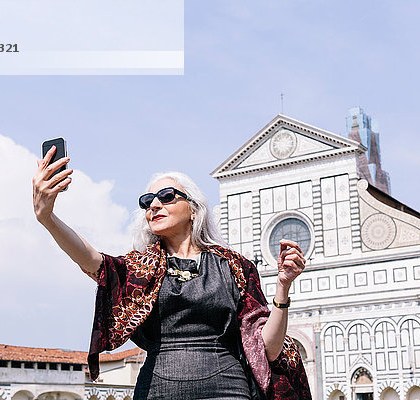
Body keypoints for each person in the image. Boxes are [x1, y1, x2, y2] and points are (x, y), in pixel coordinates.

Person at [32, 146, 312, 400]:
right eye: (147, 201)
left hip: (228, 391)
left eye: (166, 197)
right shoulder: (139, 269)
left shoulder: (236, 267)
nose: (154, 205)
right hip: (156, 391)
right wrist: (48, 218)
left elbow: (268, 351)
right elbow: (93, 261)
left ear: (193, 209)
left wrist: (283, 288)